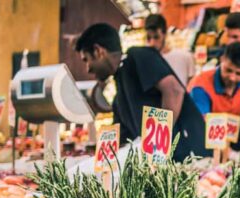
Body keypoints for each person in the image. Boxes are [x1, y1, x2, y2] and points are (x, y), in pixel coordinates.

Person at [75, 23, 209, 161]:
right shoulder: (119, 91)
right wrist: (97, 161)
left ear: (98, 51)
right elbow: (121, 138)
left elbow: (174, 91)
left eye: (86, 60)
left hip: (191, 160)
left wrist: (156, 144)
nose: (87, 69)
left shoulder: (137, 56)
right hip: (164, 169)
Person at [145, 14, 195, 86]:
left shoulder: (185, 57)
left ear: (165, 34)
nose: (152, 43)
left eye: (156, 37)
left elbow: (191, 88)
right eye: (149, 38)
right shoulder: (143, 62)